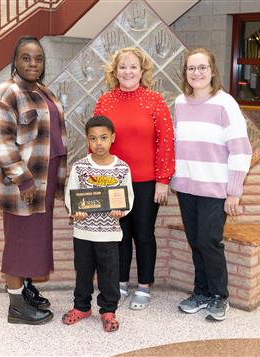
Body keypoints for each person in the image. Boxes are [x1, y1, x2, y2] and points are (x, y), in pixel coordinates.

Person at [0, 35, 67, 325]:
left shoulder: (43, 91)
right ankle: (16, 306)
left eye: (39, 59)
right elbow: (1, 144)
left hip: (42, 182)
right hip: (23, 185)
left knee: (34, 242)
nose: (33, 63)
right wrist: (24, 181)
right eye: (26, 58)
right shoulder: (6, 93)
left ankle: (25, 288)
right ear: (15, 61)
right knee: (19, 244)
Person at [172, 48, 252, 321]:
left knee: (209, 241)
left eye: (202, 67)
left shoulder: (225, 103)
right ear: (185, 73)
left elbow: (241, 149)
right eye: (191, 68)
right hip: (186, 187)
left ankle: (220, 296)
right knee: (195, 242)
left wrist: (234, 191)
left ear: (213, 71)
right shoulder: (179, 102)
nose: (197, 73)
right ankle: (201, 292)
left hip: (215, 189)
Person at [93, 47, 175, 310]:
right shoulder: (104, 101)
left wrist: (163, 179)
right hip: (113, 181)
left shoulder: (155, 100)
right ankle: (120, 282)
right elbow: (95, 141)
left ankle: (143, 287)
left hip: (146, 181)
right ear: (114, 72)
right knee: (119, 234)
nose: (127, 71)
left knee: (143, 234)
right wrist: (95, 177)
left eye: (133, 67)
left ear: (142, 71)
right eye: (122, 67)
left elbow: (166, 142)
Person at [63, 116, 134, 332]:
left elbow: (128, 196)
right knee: (83, 272)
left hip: (109, 234)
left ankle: (108, 310)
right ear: (87, 141)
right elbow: (71, 194)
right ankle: (81, 306)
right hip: (83, 232)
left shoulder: (121, 168)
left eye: (103, 137)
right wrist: (76, 210)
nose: (99, 143)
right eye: (93, 139)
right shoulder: (80, 167)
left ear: (112, 138)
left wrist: (121, 210)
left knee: (109, 274)